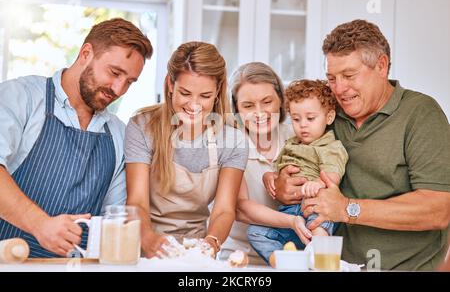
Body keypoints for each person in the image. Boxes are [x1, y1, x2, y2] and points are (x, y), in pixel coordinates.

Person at [272, 19, 450, 271]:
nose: (340, 88)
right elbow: (298, 153)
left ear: (381, 66)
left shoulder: (421, 114)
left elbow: (438, 209)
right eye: (332, 78)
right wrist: (283, 184)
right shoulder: (328, 111)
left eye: (349, 75)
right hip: (335, 266)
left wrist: (347, 209)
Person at [0, 18, 153, 258]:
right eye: (115, 72)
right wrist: (40, 224)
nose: (119, 89)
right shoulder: (21, 97)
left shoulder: (119, 135)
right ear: (86, 53)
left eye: (130, 82)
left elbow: (114, 220)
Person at [125, 41, 248, 258]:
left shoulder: (233, 140)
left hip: (197, 249)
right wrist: (149, 240)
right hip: (145, 246)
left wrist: (211, 242)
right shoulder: (141, 127)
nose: (194, 105)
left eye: (205, 96)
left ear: (218, 91)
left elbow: (224, 210)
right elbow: (137, 202)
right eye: (185, 93)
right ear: (170, 84)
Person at [219, 62, 312, 265]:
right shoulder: (229, 145)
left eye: (267, 101)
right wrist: (291, 221)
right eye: (248, 106)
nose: (259, 112)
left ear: (280, 99)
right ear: (236, 109)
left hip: (296, 257)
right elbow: (241, 208)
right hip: (240, 258)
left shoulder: (299, 136)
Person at [247, 79, 348, 264]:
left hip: (314, 208)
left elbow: (333, 173)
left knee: (320, 225)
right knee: (254, 231)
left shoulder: (330, 146)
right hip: (289, 217)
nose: (303, 125)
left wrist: (318, 183)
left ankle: (319, 261)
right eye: (296, 119)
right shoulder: (290, 144)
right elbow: (280, 172)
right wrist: (269, 176)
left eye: (310, 118)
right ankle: (285, 262)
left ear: (329, 117)